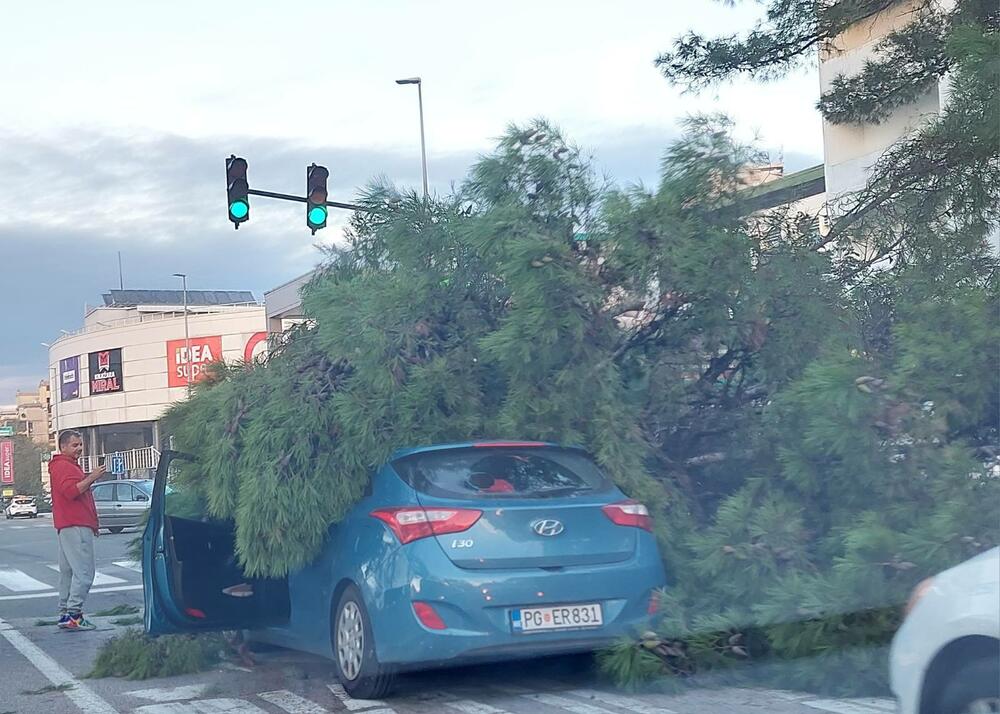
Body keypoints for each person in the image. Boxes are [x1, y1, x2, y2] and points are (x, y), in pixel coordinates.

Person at [49, 430, 104, 631]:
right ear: (63, 447)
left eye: (80, 444)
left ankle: (65, 614)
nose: (79, 448)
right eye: (75, 445)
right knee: (84, 572)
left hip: (69, 525)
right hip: (76, 524)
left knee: (68, 572)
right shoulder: (64, 466)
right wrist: (92, 477)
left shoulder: (63, 466)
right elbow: (71, 491)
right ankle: (74, 614)